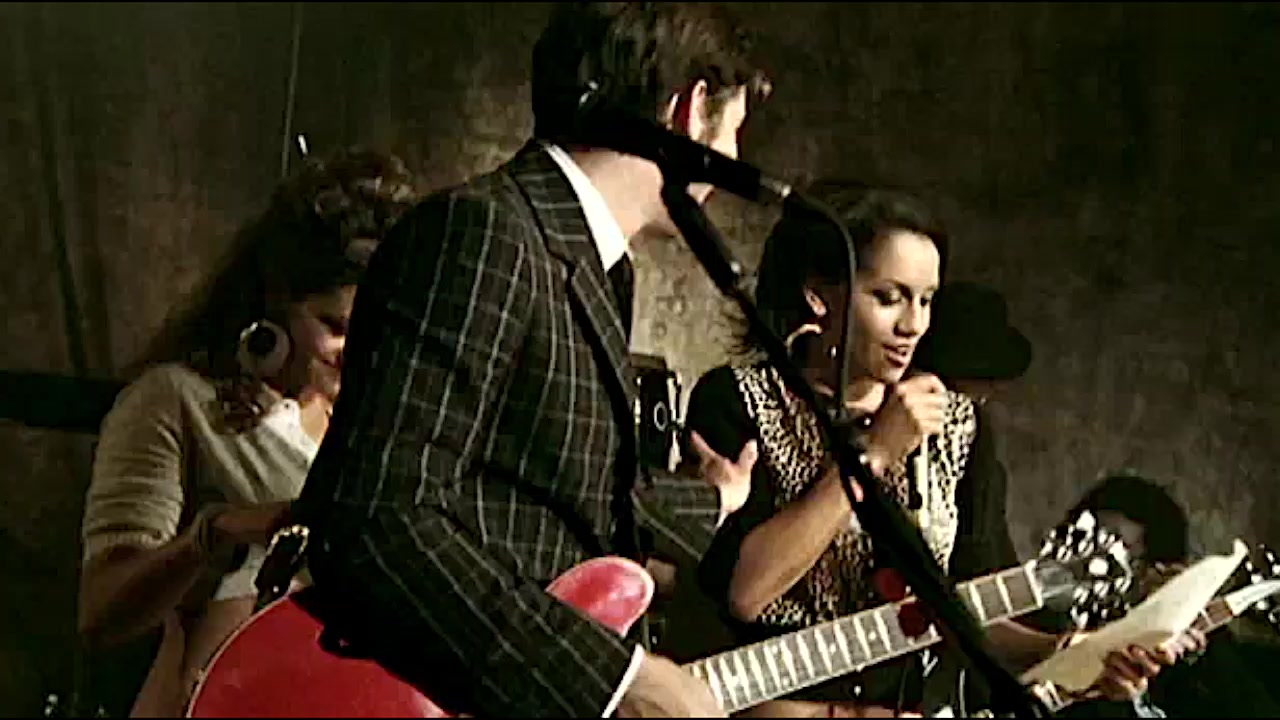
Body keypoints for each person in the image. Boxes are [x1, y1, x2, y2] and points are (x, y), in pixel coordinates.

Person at [291, 3, 772, 718]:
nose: (730, 159)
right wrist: (613, 681)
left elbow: (547, 488)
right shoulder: (486, 231)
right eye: (732, 130)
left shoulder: (596, 263)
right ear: (690, 109)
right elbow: (375, 520)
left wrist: (716, 500)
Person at [682, 181, 1198, 717]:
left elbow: (971, 610)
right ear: (819, 296)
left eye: (926, 300)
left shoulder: (958, 425)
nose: (913, 325)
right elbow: (747, 592)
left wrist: (1071, 652)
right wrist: (876, 453)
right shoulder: (738, 400)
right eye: (889, 298)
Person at [77, 147, 418, 717]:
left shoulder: (382, 423)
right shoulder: (176, 402)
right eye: (334, 326)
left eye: (377, 329)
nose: (356, 352)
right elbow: (101, 613)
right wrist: (215, 533)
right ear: (277, 301)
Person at [1049, 474, 1280, 718]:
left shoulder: (1198, 668)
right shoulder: (1041, 633)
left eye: (1113, 556)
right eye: (1083, 543)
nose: (1087, 568)